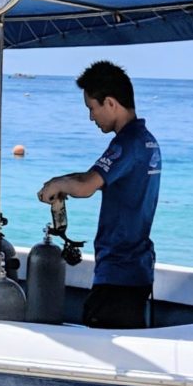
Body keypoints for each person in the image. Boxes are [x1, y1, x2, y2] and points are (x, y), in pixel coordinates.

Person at [38, 61, 160, 330]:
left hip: (118, 273)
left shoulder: (126, 144)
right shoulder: (146, 140)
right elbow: (93, 176)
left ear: (111, 103)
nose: (91, 117)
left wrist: (57, 184)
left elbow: (86, 186)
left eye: (92, 108)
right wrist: (61, 183)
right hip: (137, 269)